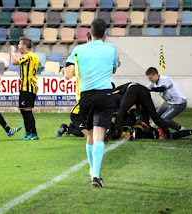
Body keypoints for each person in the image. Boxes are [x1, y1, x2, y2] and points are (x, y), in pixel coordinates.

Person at [63, 19, 119, 188]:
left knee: (89, 136)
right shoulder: (111, 49)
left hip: (86, 96)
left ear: (90, 32)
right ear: (105, 33)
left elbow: (67, 75)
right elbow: (114, 69)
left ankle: (92, 169)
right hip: (105, 94)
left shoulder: (79, 49)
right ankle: (95, 173)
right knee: (100, 135)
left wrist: (66, 69)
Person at [10, 37, 40, 140]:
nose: (18, 46)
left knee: (27, 111)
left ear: (24, 46)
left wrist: (13, 53)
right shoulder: (35, 57)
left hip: (27, 87)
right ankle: (28, 132)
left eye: (19, 44)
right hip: (29, 87)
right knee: (24, 110)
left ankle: (34, 133)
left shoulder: (28, 56)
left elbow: (14, 62)